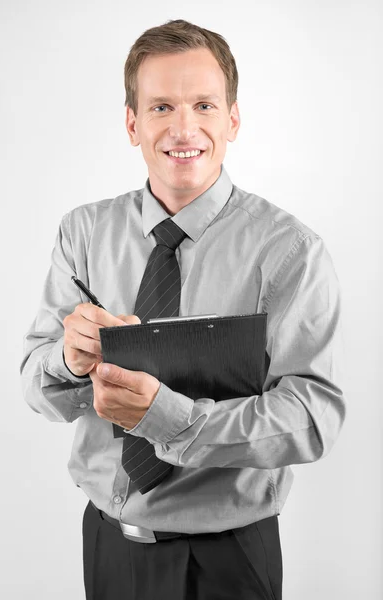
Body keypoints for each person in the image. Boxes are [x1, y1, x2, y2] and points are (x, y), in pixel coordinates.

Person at [20, 18, 346, 600]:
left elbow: (314, 417)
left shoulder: (289, 251)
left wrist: (170, 420)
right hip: (107, 549)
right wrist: (68, 362)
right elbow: (35, 386)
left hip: (228, 560)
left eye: (204, 104)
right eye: (162, 106)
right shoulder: (84, 234)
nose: (184, 127)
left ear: (233, 119)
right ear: (132, 123)